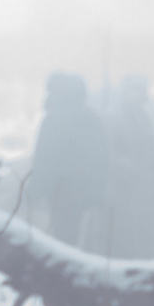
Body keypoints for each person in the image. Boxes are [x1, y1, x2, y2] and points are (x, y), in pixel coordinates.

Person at [27, 72, 108, 249]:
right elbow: (103, 159)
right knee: (85, 246)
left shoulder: (53, 119)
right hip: (89, 196)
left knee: (61, 244)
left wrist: (34, 192)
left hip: (60, 195)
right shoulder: (93, 119)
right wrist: (101, 196)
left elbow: (44, 160)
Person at [105, 75, 154, 259]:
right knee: (127, 238)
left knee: (147, 235)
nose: (139, 95)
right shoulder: (114, 117)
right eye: (135, 90)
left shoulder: (147, 118)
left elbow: (152, 149)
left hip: (147, 188)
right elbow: (108, 151)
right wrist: (127, 168)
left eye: (142, 90)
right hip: (124, 190)